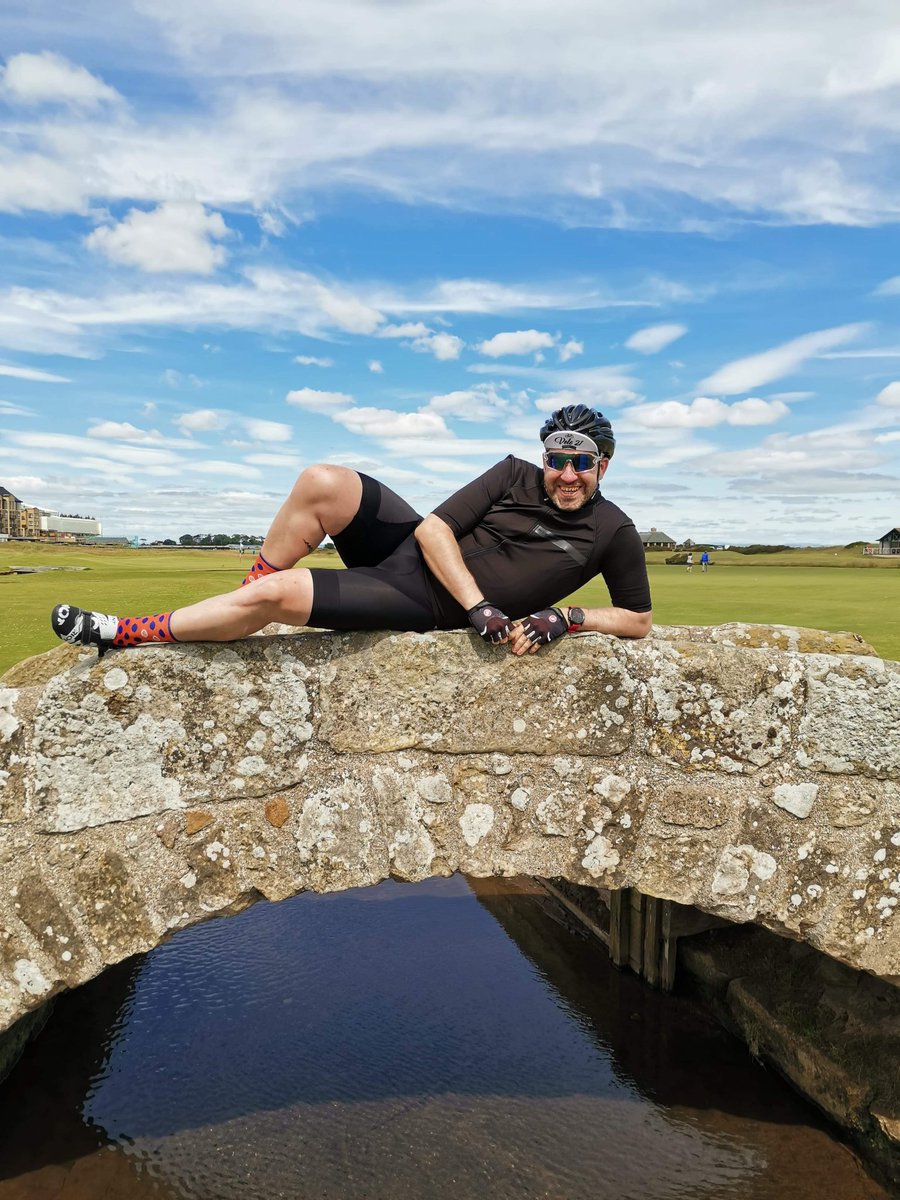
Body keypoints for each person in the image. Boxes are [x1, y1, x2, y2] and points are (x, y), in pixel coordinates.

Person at [51, 404, 652, 659]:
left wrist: (568, 618)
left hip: (422, 600)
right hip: (421, 559)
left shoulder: (613, 530)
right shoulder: (513, 473)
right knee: (323, 481)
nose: (566, 474)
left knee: (277, 595)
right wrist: (482, 607)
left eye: (581, 462)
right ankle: (237, 605)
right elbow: (435, 529)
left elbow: (638, 619)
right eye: (557, 459)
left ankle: (123, 633)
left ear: (603, 466)